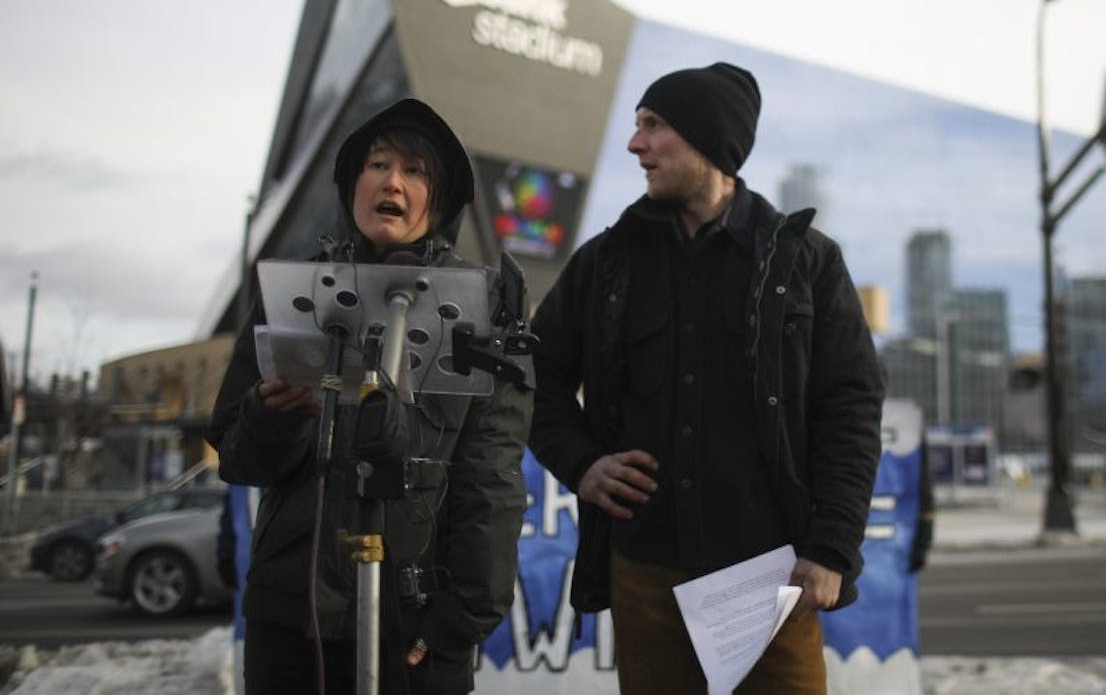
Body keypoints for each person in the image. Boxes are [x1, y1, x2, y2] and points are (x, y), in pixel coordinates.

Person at [529, 62, 885, 693]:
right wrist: (581, 462)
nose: (635, 144)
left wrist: (831, 548)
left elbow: (850, 407)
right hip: (645, 577)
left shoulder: (805, 261)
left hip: (773, 582)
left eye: (653, 125)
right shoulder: (607, 262)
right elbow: (530, 375)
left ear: (707, 138)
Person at [206, 98, 533, 695]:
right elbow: (238, 458)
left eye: (416, 171)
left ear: (439, 200)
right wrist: (276, 418)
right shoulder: (289, 300)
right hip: (290, 620)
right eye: (378, 164)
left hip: (416, 624)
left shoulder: (484, 317)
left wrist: (461, 622)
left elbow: (492, 480)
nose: (393, 181)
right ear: (352, 183)